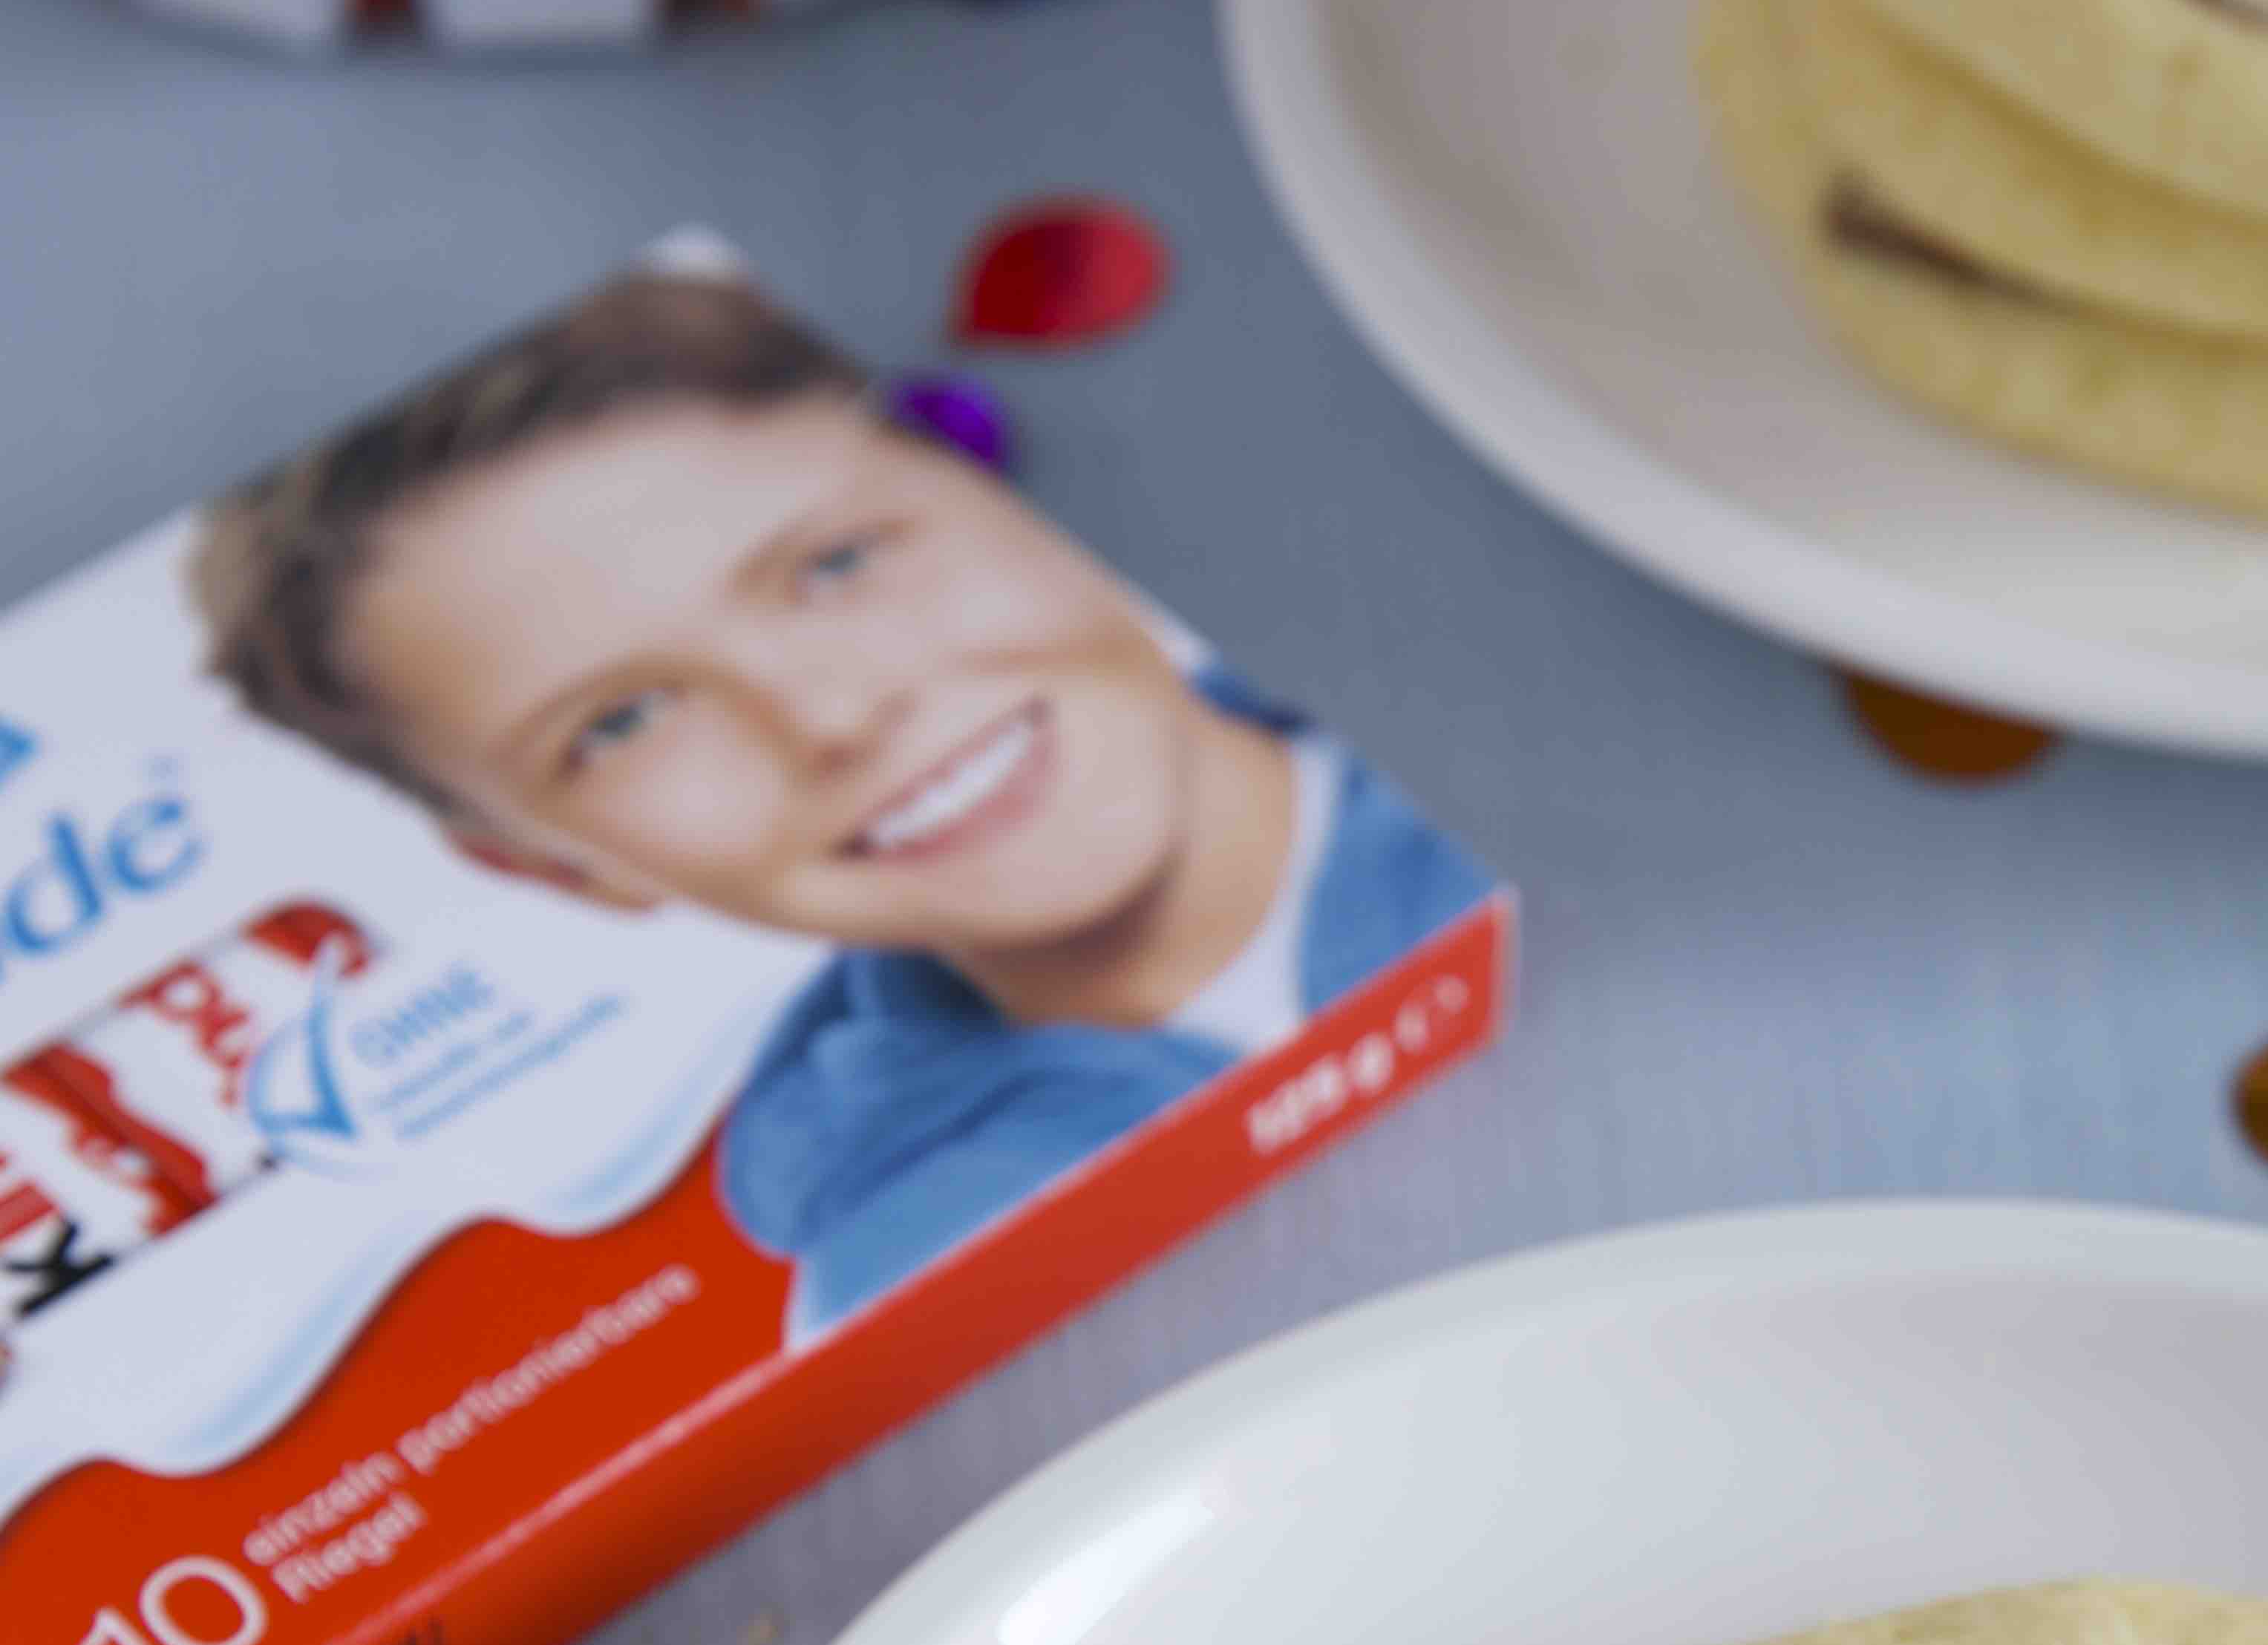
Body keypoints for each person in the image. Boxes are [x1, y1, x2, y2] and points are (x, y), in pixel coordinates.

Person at [189, 247, 1491, 1327]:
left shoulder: (1459, 783)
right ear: (551, 867)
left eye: (836, 564)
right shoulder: (884, 1262)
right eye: (626, 720)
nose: (831, 715)